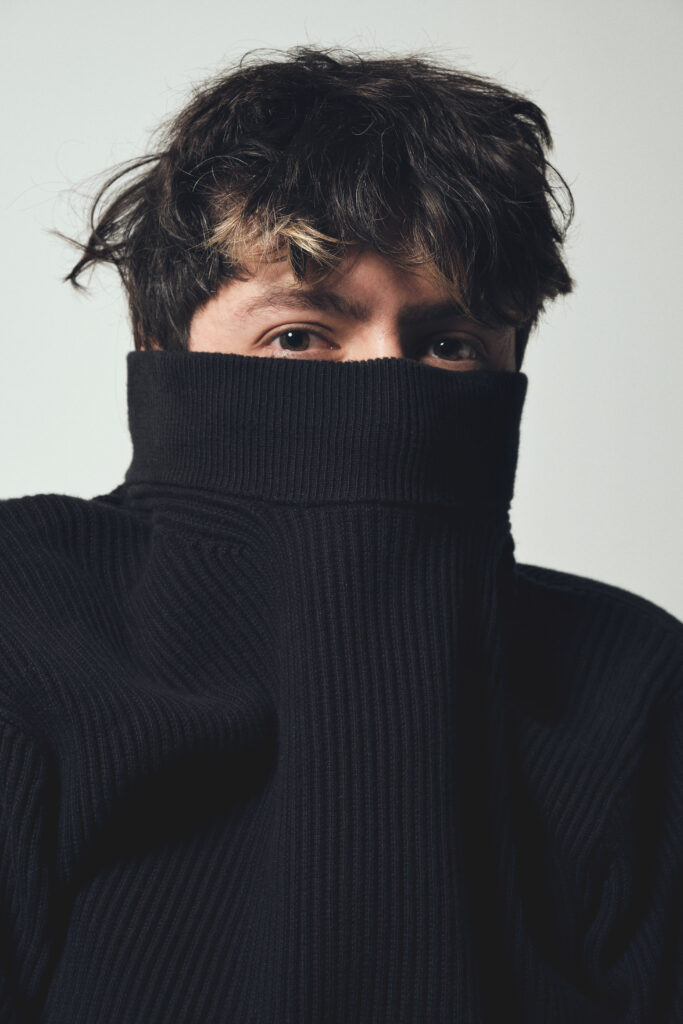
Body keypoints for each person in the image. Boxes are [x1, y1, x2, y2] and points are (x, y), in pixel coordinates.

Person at [0, 45, 681, 1024]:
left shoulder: (630, 683)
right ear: (161, 347)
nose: (387, 387)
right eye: (298, 335)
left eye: (448, 346)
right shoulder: (26, 619)